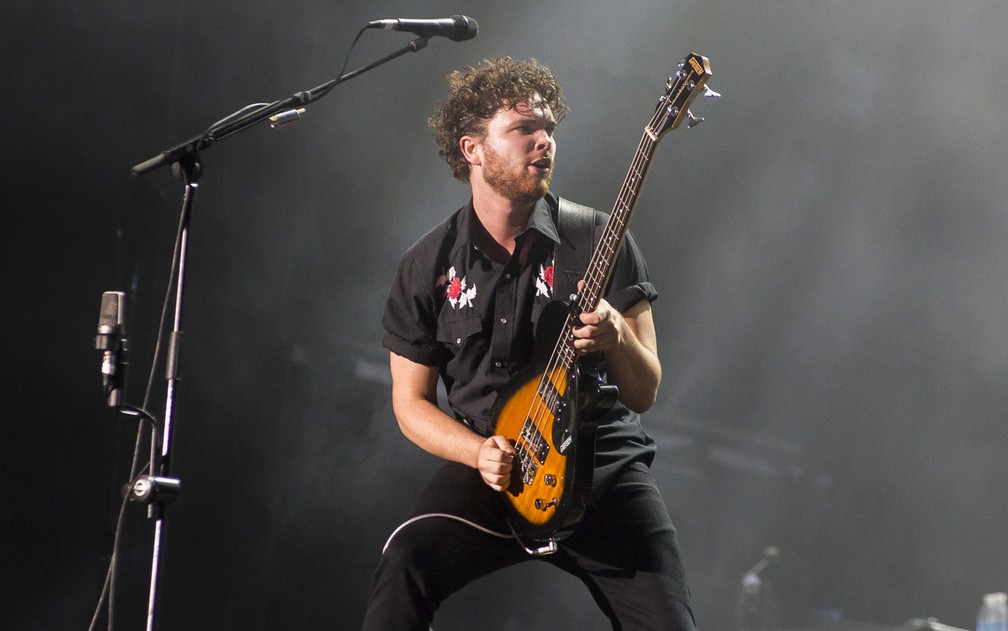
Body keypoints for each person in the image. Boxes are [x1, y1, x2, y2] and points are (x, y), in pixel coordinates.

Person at [362, 56, 695, 631]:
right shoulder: (427, 266)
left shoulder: (597, 235)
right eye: (522, 130)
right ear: (472, 149)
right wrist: (476, 453)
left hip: (600, 470)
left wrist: (616, 334)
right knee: (405, 563)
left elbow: (645, 392)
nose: (543, 142)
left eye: (549, 131)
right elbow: (409, 403)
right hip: (499, 462)